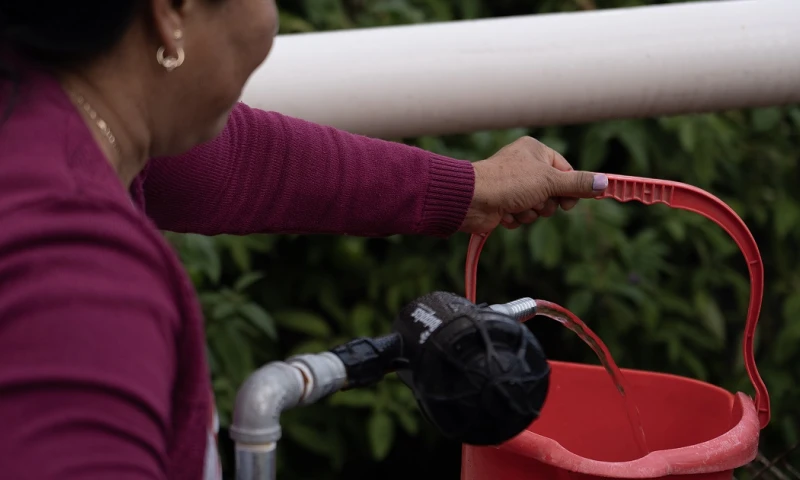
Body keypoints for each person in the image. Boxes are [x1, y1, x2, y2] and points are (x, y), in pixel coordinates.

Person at [0, 1, 608, 479]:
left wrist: (470, 189)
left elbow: (237, 163)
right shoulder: (74, 272)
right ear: (171, 11)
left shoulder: (55, 105)